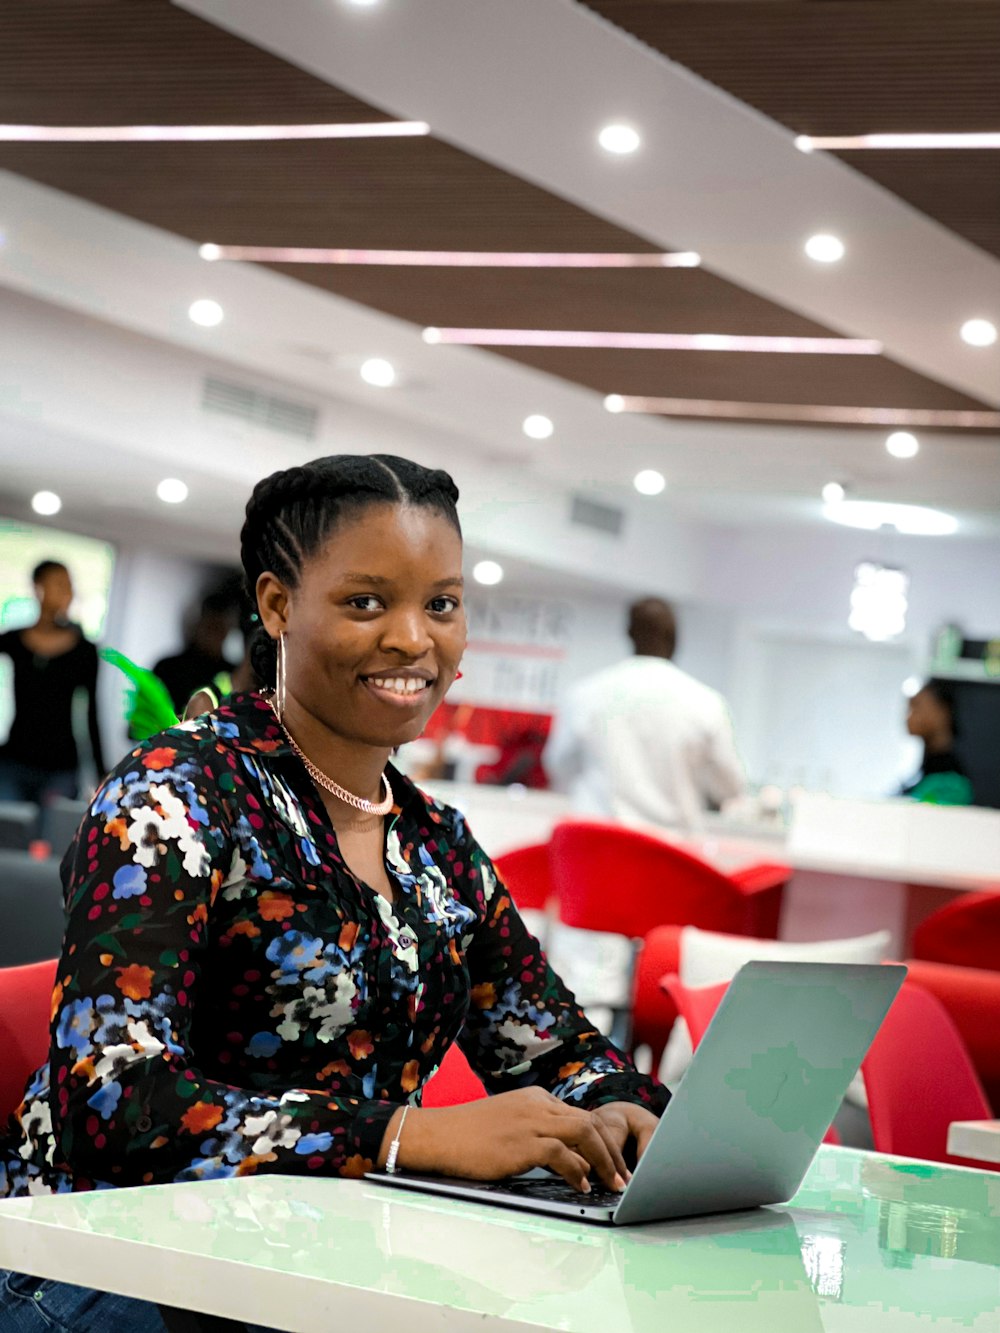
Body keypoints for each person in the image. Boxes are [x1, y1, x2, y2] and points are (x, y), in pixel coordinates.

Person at [0, 455, 665, 1330]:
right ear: (277, 606)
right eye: (366, 602)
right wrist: (404, 1135)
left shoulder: (438, 841)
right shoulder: (175, 795)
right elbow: (117, 1101)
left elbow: (555, 1047)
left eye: (442, 603)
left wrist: (627, 1108)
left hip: (336, 1263)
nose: (413, 638)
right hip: (112, 1265)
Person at [543, 596, 745, 830]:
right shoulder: (707, 703)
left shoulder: (584, 694)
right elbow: (729, 786)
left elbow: (559, 767)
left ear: (629, 633)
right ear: (675, 638)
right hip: (666, 850)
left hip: (595, 845)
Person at [0, 559, 106, 807]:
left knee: (52, 838)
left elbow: (91, 714)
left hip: (61, 767)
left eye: (69, 586)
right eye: (59, 584)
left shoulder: (84, 650)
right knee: (9, 832)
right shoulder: (14, 640)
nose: (67, 592)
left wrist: (102, 772)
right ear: (38, 588)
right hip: (15, 759)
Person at [151, 587, 238, 715]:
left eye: (219, 627)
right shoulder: (168, 669)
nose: (214, 635)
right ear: (199, 624)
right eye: (210, 626)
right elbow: (142, 725)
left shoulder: (233, 674)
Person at [901, 680, 973, 805]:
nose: (908, 717)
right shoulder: (922, 773)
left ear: (943, 712)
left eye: (916, 706)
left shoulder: (951, 783)